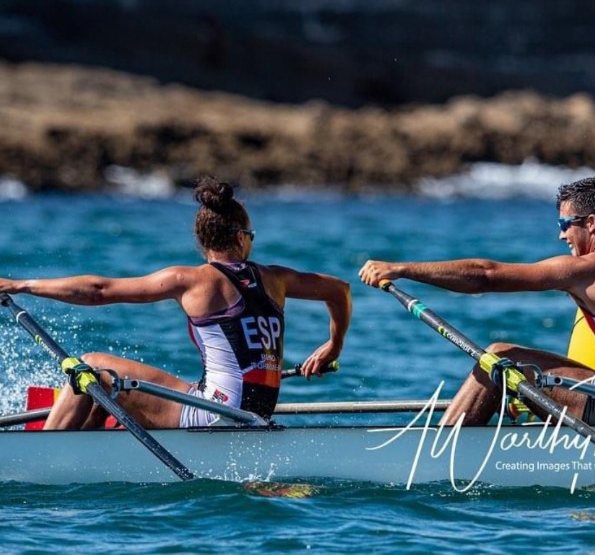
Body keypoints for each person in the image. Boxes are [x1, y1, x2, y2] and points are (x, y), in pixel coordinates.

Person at [359, 177, 595, 426]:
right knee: (527, 371)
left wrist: (402, 268)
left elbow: (486, 275)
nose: (562, 236)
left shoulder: (591, 269)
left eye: (565, 225)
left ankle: (439, 455)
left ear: (591, 223)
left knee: (499, 355)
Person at [0, 176, 352, 429]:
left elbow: (99, 290)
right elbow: (340, 290)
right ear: (241, 238)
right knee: (120, 393)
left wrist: (21, 285)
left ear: (203, 242)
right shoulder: (277, 279)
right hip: (255, 414)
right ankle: (97, 440)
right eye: (252, 236)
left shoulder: (194, 280)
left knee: (91, 368)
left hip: (218, 417)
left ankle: (47, 456)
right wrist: (333, 347)